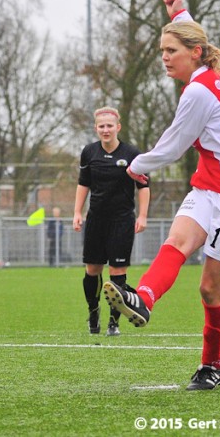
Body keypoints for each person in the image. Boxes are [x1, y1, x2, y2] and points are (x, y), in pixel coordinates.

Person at [103, 0, 220, 390]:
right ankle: (141, 297)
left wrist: (134, 166)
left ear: (194, 52)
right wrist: (179, 12)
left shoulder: (198, 91)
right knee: (177, 241)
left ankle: (212, 364)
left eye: (170, 49)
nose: (164, 56)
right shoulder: (203, 74)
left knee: (210, 289)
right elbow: (195, 35)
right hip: (212, 185)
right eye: (162, 49)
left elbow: (172, 148)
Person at [73, 106, 150, 337]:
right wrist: (77, 212)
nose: (105, 130)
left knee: (117, 273)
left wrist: (143, 215)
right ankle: (93, 311)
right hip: (96, 219)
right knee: (93, 270)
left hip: (122, 220)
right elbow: (83, 183)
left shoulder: (132, 154)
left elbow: (143, 186)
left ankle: (113, 323)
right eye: (101, 126)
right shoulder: (89, 153)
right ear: (96, 128)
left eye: (109, 126)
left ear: (118, 127)